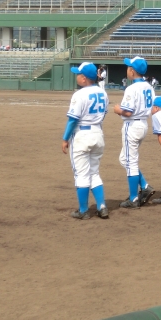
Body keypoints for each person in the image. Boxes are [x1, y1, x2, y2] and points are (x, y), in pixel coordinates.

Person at [61, 62, 109, 220]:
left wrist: (65, 138)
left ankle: (83, 211)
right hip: (98, 133)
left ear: (83, 78)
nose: (76, 76)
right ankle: (102, 207)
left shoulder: (79, 94)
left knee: (81, 174)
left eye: (78, 74)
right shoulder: (103, 93)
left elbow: (72, 120)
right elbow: (104, 114)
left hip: (82, 135)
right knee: (94, 172)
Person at [113, 56, 156, 208]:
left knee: (130, 162)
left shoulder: (131, 88)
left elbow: (128, 112)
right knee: (124, 159)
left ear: (132, 71)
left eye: (128, 67)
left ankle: (133, 199)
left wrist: (118, 110)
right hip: (143, 124)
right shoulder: (149, 87)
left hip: (132, 125)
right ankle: (144, 186)